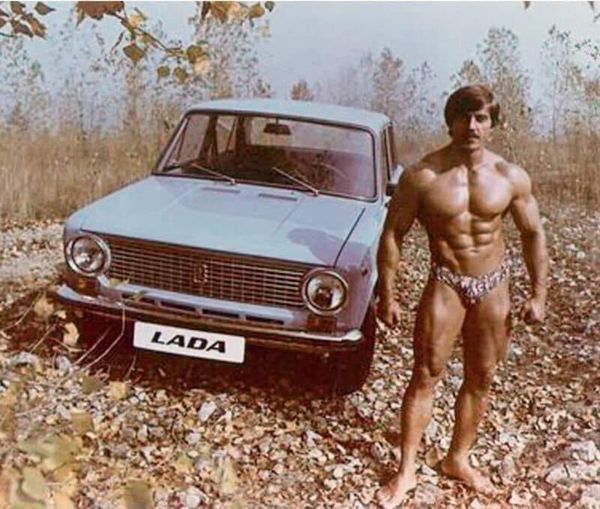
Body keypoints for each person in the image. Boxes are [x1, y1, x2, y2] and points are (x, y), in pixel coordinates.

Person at [375, 84, 549, 508]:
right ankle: (406, 471)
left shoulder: (510, 176)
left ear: (492, 124)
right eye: (463, 117)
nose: (471, 126)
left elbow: (532, 233)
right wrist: (388, 295)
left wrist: (539, 293)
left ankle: (458, 458)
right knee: (425, 374)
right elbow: (393, 234)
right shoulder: (423, 176)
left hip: (494, 284)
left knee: (481, 376)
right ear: (450, 122)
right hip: (447, 281)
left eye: (481, 118)